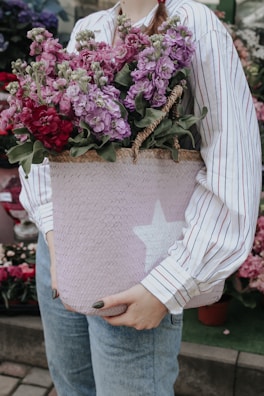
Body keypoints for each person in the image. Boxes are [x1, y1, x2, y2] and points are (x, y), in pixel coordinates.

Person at [19, 0, 262, 395]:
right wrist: (53, 233)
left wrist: (169, 286)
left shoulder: (192, 22)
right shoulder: (90, 26)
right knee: (71, 387)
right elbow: (51, 151)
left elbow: (233, 160)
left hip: (138, 269)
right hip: (61, 251)